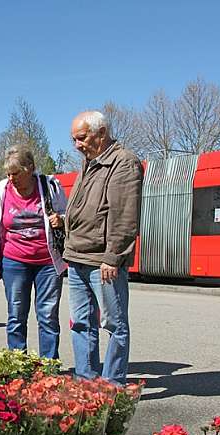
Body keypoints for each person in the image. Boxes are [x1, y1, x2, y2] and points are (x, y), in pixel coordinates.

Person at [64, 110, 143, 385]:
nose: (77, 145)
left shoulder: (123, 162)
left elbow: (124, 216)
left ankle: (113, 385)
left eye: (82, 138)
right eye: (74, 139)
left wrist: (113, 257)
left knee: (114, 324)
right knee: (81, 323)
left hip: (103, 262)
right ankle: (86, 381)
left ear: (101, 133)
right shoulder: (89, 163)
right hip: (77, 258)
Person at [0, 145, 68, 359]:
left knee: (48, 316)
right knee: (16, 315)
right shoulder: (1, 190)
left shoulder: (50, 185)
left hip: (48, 262)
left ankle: (49, 365)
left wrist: (61, 220)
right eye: (8, 173)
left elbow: (67, 214)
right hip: (14, 260)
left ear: (30, 168)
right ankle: (18, 364)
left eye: (16, 173)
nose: (11, 178)